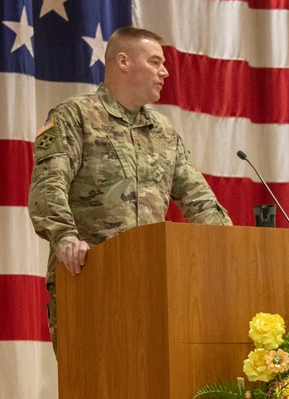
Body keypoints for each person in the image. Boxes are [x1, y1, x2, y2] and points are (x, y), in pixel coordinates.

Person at [28, 27, 231, 352]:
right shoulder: (76, 116)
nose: (164, 72)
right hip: (88, 278)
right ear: (123, 61)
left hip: (152, 284)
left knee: (151, 392)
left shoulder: (162, 130)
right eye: (155, 62)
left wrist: (231, 246)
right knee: (93, 391)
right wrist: (64, 237)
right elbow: (48, 185)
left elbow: (199, 199)